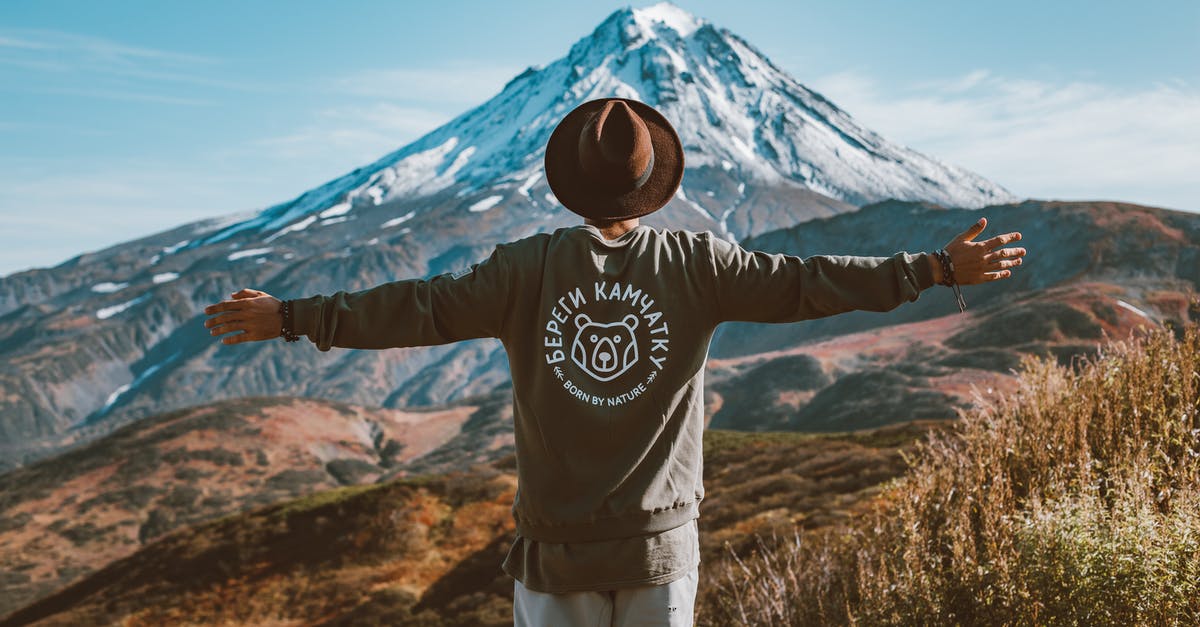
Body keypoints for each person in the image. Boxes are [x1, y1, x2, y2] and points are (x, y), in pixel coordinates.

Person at [203, 98, 1026, 626]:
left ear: (568, 184)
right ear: (651, 185)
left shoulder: (522, 270)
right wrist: (934, 269)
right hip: (659, 553)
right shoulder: (697, 264)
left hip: (556, 555)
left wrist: (292, 317)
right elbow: (810, 285)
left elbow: (416, 309)